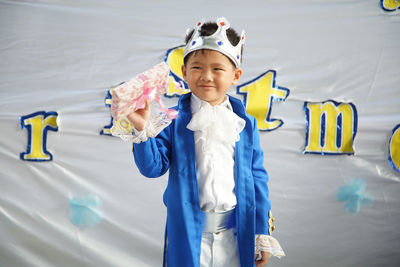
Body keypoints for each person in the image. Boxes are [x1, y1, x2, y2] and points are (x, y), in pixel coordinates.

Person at [126, 17, 284, 267]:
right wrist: (142, 128)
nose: (206, 76)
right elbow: (152, 168)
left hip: (236, 234)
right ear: (184, 72)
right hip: (190, 236)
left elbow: (257, 179)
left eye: (218, 69)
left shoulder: (246, 124)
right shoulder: (172, 121)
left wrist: (261, 231)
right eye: (197, 67)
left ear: (236, 75)